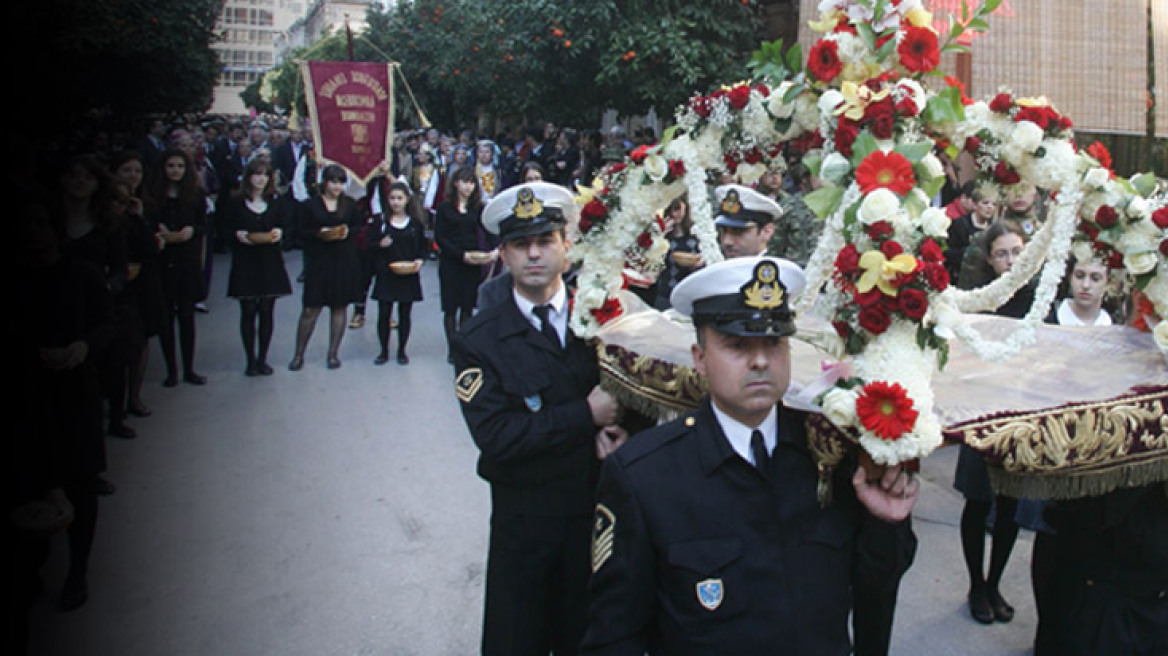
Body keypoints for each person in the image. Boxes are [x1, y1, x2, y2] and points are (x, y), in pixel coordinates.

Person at [582, 256, 919, 655]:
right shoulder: (645, 475)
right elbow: (614, 635)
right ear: (700, 358)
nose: (760, 361)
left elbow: (872, 586)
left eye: (773, 343)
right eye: (737, 345)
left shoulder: (832, 454)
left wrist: (886, 525)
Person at [451, 181, 628, 656]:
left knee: (589, 638)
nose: (534, 254)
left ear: (566, 247)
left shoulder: (603, 319)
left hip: (595, 515)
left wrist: (621, 432)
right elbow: (497, 436)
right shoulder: (479, 338)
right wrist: (584, 416)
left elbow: (636, 398)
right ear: (503, 256)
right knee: (518, 639)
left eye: (545, 242)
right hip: (525, 523)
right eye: (520, 245)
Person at [953, 219, 1032, 626]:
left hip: (1022, 411)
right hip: (982, 411)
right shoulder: (980, 299)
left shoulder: (1040, 296)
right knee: (978, 500)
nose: (1010, 260)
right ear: (988, 258)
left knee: (1010, 506)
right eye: (1001, 253)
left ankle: (996, 582)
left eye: (1017, 251)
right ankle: (976, 584)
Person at [289, 164, 363, 370]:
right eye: (333, 181)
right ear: (324, 182)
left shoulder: (349, 204)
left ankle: (333, 354)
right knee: (311, 308)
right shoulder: (309, 205)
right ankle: (299, 354)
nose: (337, 186)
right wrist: (318, 233)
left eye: (341, 182)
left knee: (339, 306)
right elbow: (300, 232)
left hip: (343, 260)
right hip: (319, 261)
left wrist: (347, 231)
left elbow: (358, 226)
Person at [145, 148, 207, 386]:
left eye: (180, 166)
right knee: (165, 318)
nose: (175, 171)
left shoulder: (195, 194)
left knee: (186, 315)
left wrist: (192, 231)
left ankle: (189, 369)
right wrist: (156, 230)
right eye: (171, 166)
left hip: (186, 260)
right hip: (162, 262)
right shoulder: (153, 196)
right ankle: (171, 370)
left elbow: (203, 225)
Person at [224, 158, 292, 375]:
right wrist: (237, 235)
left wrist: (280, 233)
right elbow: (223, 229)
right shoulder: (235, 201)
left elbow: (287, 227)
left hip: (269, 260)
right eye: (256, 174)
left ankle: (263, 357)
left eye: (265, 174)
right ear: (248, 177)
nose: (261, 179)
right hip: (246, 260)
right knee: (248, 309)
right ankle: (250, 359)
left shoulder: (276, 201)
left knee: (266, 309)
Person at [435, 167, 496, 362]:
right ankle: (452, 347)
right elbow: (440, 238)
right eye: (464, 181)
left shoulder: (477, 208)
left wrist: (495, 249)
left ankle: (464, 345)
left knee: (467, 306)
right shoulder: (445, 208)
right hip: (451, 262)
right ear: (455, 183)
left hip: (472, 261)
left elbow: (488, 230)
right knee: (451, 307)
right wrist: (461, 255)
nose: (468, 186)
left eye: (471, 182)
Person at [371, 181, 428, 365]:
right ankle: (383, 350)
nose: (395, 202)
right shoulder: (381, 222)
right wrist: (379, 245)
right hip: (386, 273)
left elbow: (422, 247)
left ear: (407, 200)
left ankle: (402, 350)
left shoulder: (415, 224)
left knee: (405, 313)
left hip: (408, 273)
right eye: (392, 198)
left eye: (399, 198)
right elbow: (367, 246)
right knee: (384, 313)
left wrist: (420, 260)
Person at [653, 196, 703, 310]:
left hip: (689, 297)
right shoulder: (662, 236)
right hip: (665, 295)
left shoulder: (696, 236)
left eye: (677, 209)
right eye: (670, 210)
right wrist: (659, 235)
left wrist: (698, 263)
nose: (674, 214)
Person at [714, 184, 781, 259]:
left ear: (767, 231)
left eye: (738, 231)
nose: (727, 241)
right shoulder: (714, 267)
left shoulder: (779, 269)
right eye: (723, 231)